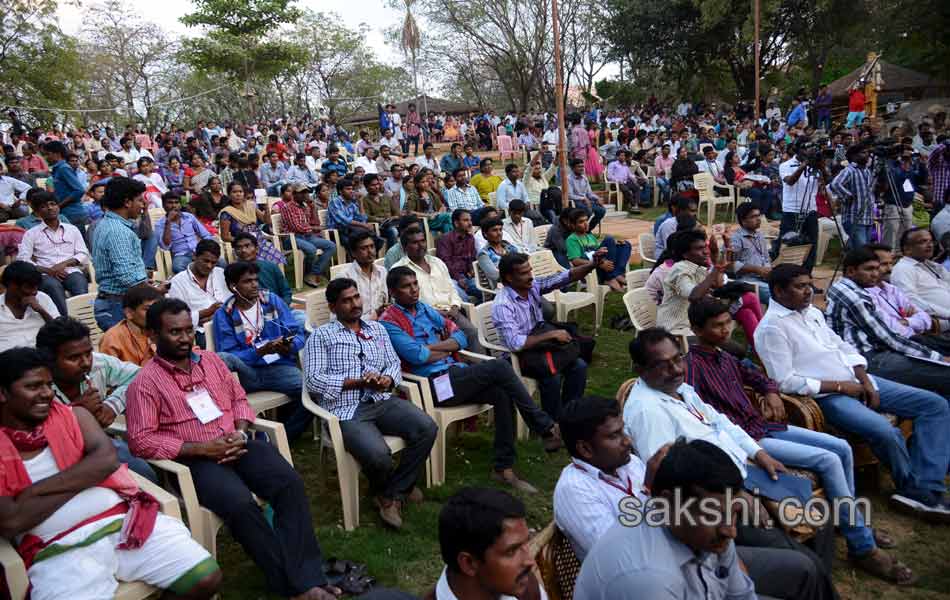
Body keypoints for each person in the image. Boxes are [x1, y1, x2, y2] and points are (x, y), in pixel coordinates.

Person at [126, 298, 338, 600]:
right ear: (153, 336)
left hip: (236, 443)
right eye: (175, 332)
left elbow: (239, 400)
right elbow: (141, 440)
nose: (185, 338)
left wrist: (239, 432)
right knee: (240, 505)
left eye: (189, 330)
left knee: (289, 483)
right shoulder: (145, 384)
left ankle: (307, 575)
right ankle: (293, 586)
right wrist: (202, 449)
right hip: (196, 461)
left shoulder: (211, 362)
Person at [685, 298, 909, 583]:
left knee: (841, 447)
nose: (726, 329)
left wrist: (771, 394)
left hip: (764, 425)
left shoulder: (725, 356)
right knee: (827, 459)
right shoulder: (692, 367)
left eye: (727, 323)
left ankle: (848, 520)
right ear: (697, 329)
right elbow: (700, 415)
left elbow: (760, 378)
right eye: (717, 326)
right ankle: (862, 546)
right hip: (745, 439)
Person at [0, 347, 221, 600]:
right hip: (57, 549)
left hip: (126, 525)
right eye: (33, 386)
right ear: (3, 393)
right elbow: (10, 522)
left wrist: (34, 491)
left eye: (49, 385)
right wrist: (84, 477)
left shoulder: (74, 416)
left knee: (205, 578)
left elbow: (107, 461)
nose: (47, 394)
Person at [754, 264, 950, 517]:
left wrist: (864, 379)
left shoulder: (811, 312)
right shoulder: (772, 328)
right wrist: (841, 387)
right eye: (800, 286)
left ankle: (927, 485)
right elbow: (785, 381)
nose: (809, 291)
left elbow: (842, 346)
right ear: (779, 291)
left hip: (858, 380)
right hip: (828, 396)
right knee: (885, 432)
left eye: (809, 284)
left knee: (934, 405)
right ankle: (914, 490)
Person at [381, 267, 561, 492]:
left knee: (502, 393)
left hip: (454, 373)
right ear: (393, 292)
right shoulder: (389, 322)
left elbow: (461, 336)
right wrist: (445, 348)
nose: (414, 290)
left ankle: (503, 467)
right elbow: (416, 356)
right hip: (432, 386)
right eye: (406, 286)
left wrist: (436, 348)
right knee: (497, 366)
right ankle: (543, 425)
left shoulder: (424, 308)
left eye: (415, 284)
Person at [306, 278, 436, 529]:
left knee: (426, 428)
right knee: (378, 456)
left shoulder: (377, 329)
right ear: (333, 307)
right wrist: (356, 383)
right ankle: (392, 495)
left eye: (356, 297)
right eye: (346, 300)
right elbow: (313, 381)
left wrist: (387, 379)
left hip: (381, 399)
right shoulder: (321, 337)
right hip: (346, 409)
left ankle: (392, 492)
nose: (355, 304)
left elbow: (393, 363)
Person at [573, 439, 758, 600]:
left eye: (734, 513)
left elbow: (741, 595)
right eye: (711, 515)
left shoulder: (715, 532)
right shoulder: (649, 582)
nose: (731, 531)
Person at [35, 316, 157, 482]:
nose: (86, 363)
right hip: (52, 454)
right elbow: (32, 435)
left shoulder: (99, 363)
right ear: (49, 361)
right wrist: (74, 412)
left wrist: (112, 406)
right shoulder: (34, 384)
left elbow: (142, 376)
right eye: (73, 358)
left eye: (88, 353)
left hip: (98, 443)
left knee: (145, 474)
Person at [825, 247, 949, 398]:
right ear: (851, 271)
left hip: (880, 348)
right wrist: (937, 358)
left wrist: (908, 323)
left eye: (877, 268)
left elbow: (920, 318)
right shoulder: (855, 297)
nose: (876, 274)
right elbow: (889, 339)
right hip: (870, 358)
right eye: (870, 269)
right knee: (944, 372)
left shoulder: (844, 287)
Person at [212, 262, 311, 441]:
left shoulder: (271, 301)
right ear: (233, 286)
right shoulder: (224, 314)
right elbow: (229, 355)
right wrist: (259, 352)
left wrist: (289, 346)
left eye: (256, 280)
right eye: (247, 281)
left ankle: (281, 438)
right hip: (246, 374)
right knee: (223, 357)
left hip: (278, 367)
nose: (255, 285)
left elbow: (297, 335)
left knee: (310, 391)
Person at [493, 252, 596, 420]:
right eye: (524, 273)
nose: (530, 277)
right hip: (517, 356)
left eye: (530, 271)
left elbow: (564, 277)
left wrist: (591, 265)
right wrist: (552, 334)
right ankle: (552, 423)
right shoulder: (503, 305)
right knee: (551, 377)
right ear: (509, 278)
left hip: (541, 347)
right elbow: (514, 343)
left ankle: (570, 415)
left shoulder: (531, 286)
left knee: (579, 366)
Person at [552, 396, 653, 560]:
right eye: (614, 435)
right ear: (585, 449)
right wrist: (649, 488)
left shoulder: (629, 463)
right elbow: (622, 554)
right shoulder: (575, 490)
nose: (627, 441)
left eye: (623, 430)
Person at [434, 488, 547, 600]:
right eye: (512, 551)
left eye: (526, 542)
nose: (530, 561)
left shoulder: (527, 588)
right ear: (469, 563)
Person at [393, 227, 483, 352]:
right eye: (415, 242)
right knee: (442, 343)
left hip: (451, 312)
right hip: (423, 317)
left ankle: (480, 366)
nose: (421, 245)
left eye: (423, 241)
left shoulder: (437, 263)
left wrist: (455, 308)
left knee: (472, 333)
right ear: (404, 247)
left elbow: (452, 289)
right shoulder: (399, 269)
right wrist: (434, 313)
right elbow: (403, 301)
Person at [92, 177, 164, 332]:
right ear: (127, 202)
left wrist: (146, 282)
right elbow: (127, 278)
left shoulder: (107, 224)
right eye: (139, 200)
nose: (143, 205)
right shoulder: (118, 231)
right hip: (118, 305)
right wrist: (153, 291)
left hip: (116, 302)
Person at [866, 243, 950, 354]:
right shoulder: (866, 294)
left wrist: (906, 321)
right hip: (900, 345)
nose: (890, 268)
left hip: (919, 337)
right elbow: (892, 328)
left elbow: (925, 318)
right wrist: (911, 320)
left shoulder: (891, 289)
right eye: (884, 264)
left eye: (891, 263)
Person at [16, 191, 90, 316]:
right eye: (44, 206)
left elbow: (83, 253)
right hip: (45, 274)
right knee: (53, 287)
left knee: (79, 283)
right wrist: (49, 270)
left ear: (58, 206)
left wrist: (63, 264)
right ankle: (66, 322)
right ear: (37, 212)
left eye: (53, 204)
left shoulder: (72, 229)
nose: (50, 208)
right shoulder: (31, 233)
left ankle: (84, 317)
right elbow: (23, 259)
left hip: (70, 270)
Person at [167, 239, 230, 340]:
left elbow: (232, 301)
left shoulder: (221, 274)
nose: (209, 266)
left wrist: (214, 315)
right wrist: (204, 313)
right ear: (194, 256)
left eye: (213, 263)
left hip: (226, 323)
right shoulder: (177, 282)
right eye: (205, 261)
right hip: (200, 332)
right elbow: (176, 318)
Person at [890, 228, 950, 332]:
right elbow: (910, 300)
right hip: (941, 323)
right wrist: (948, 314)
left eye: (931, 241)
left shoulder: (934, 266)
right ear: (907, 249)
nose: (930, 245)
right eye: (923, 242)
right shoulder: (903, 268)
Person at [278, 183, 337, 287]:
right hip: (292, 237)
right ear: (294, 194)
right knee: (311, 249)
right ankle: (309, 274)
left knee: (331, 246)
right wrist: (314, 229)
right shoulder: (288, 207)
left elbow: (315, 223)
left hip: (307, 236)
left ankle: (313, 273)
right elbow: (296, 227)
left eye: (306, 193)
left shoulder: (305, 206)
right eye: (302, 193)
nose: (305, 195)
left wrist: (313, 207)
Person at [778, 141, 822, 272]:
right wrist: (804, 165)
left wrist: (821, 166)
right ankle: (787, 275)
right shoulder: (785, 165)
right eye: (806, 149)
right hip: (792, 210)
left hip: (811, 210)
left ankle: (807, 276)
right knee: (789, 244)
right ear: (797, 150)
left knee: (811, 246)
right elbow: (790, 181)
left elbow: (828, 182)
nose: (809, 152)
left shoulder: (814, 166)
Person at [218, 181, 285, 266]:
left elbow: (266, 221)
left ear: (243, 193)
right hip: (243, 245)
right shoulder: (227, 212)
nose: (238, 194)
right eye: (234, 192)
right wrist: (241, 240)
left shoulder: (251, 205)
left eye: (240, 192)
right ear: (229, 195)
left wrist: (266, 208)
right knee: (259, 263)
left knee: (274, 260)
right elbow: (225, 236)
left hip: (259, 241)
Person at [565, 208, 630, 292]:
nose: (586, 224)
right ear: (573, 225)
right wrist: (599, 264)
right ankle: (610, 277)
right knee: (609, 239)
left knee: (625, 245)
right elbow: (575, 261)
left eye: (586, 220)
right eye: (581, 222)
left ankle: (616, 274)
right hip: (592, 271)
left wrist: (615, 245)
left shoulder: (589, 236)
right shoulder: (572, 239)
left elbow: (601, 251)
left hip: (604, 266)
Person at [0, 261, 60, 352]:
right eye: (29, 287)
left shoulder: (43, 298)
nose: (34, 292)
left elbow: (61, 331)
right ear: (12, 286)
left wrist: (41, 311)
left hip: (43, 357)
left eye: (36, 287)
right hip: (8, 361)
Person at [99, 283, 162, 366]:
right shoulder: (112, 339)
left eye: (157, 308)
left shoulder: (162, 330)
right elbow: (110, 375)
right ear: (129, 313)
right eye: (148, 309)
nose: (155, 313)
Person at [332, 231, 389, 322]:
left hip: (382, 323)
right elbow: (337, 318)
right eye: (364, 248)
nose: (370, 251)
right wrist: (374, 316)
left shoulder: (382, 272)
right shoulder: (344, 277)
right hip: (354, 327)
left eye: (372, 246)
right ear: (353, 253)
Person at [829, 145, 876, 249]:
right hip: (854, 218)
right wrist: (848, 196)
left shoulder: (867, 171)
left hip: (868, 218)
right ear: (854, 156)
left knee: (861, 250)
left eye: (867, 152)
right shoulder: (849, 170)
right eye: (863, 153)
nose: (867, 155)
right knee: (862, 250)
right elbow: (835, 184)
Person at [156, 192, 214, 274]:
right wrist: (168, 222)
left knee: (221, 262)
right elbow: (165, 246)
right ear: (163, 205)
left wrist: (206, 249)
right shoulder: (160, 224)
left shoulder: (189, 217)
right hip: (182, 255)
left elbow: (206, 235)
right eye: (170, 203)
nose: (174, 206)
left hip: (199, 252)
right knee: (177, 267)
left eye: (176, 202)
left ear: (180, 205)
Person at [231, 232, 294, 306]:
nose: (243, 250)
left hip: (279, 308)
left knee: (300, 316)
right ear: (235, 252)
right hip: (249, 312)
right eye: (238, 248)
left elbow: (286, 292)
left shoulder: (271, 266)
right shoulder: (233, 272)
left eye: (247, 246)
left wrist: (281, 307)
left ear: (257, 249)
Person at [730, 203, 773, 303]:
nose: (758, 219)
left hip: (764, 277)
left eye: (759, 215)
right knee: (777, 294)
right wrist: (756, 269)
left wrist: (768, 270)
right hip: (747, 280)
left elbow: (766, 258)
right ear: (743, 221)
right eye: (753, 216)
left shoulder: (759, 235)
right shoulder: (736, 238)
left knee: (790, 286)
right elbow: (729, 264)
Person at [44, 140, 90, 231]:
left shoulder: (64, 168)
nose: (47, 157)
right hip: (66, 213)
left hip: (73, 213)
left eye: (48, 154)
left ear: (57, 154)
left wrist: (60, 205)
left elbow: (79, 190)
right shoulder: (57, 169)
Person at [436, 209, 479, 301]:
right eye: (466, 220)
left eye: (470, 220)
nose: (470, 223)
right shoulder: (445, 239)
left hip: (467, 277)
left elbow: (473, 258)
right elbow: (445, 263)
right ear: (456, 223)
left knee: (484, 289)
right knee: (463, 297)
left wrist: (472, 269)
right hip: (451, 279)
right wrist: (459, 278)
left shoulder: (470, 238)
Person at [327, 177, 377, 250]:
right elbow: (343, 221)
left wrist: (360, 202)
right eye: (348, 189)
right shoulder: (334, 202)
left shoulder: (352, 203)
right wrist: (364, 225)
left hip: (351, 230)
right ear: (340, 191)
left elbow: (362, 219)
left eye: (352, 189)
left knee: (370, 238)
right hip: (338, 232)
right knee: (357, 240)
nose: (351, 191)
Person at [475, 218, 517, 290]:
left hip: (519, 282)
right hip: (502, 289)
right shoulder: (483, 254)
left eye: (500, 229)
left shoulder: (509, 247)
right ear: (485, 234)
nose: (499, 233)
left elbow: (522, 263)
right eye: (494, 230)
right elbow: (495, 275)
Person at [567, 159, 606, 233]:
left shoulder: (584, 178)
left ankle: (588, 230)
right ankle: (579, 229)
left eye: (582, 166)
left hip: (586, 201)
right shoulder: (569, 179)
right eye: (579, 167)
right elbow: (569, 195)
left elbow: (589, 193)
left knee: (602, 210)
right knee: (588, 211)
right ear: (573, 168)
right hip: (575, 202)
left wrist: (597, 198)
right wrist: (583, 198)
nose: (582, 168)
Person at [606, 149, 647, 214]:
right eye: (621, 156)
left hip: (626, 182)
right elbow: (609, 176)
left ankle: (635, 206)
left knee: (637, 187)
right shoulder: (612, 164)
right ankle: (634, 206)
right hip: (616, 184)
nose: (623, 157)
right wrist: (618, 181)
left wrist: (636, 178)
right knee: (626, 190)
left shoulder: (625, 165)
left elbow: (629, 174)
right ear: (617, 157)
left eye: (624, 156)